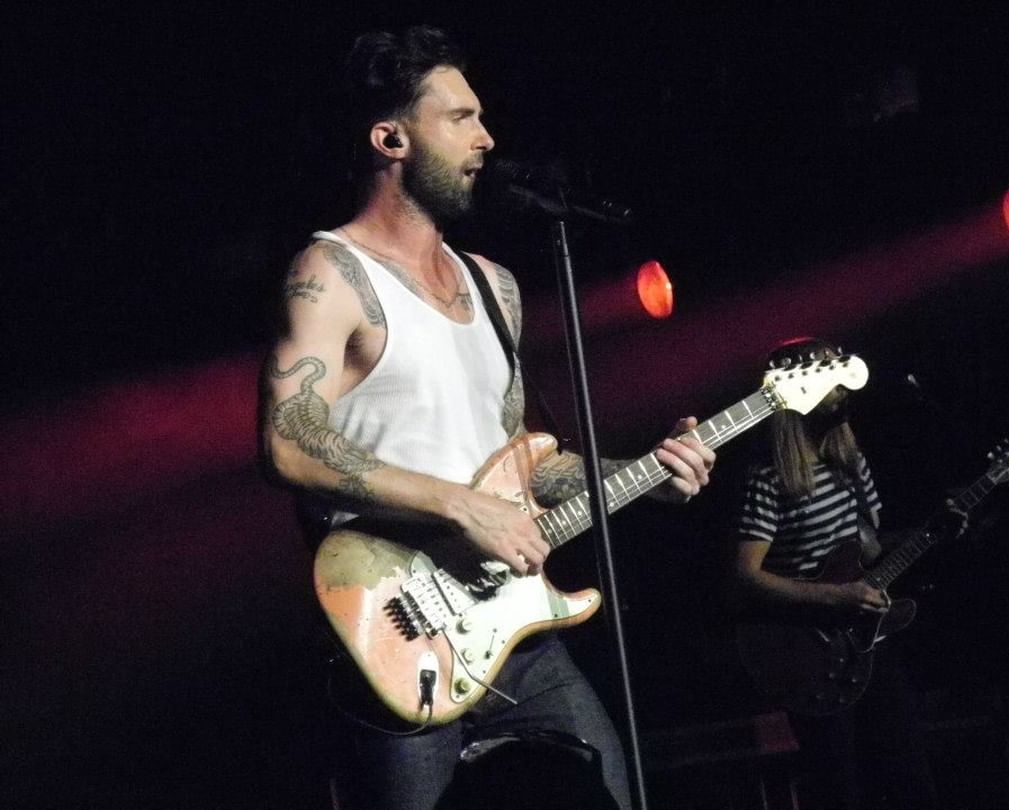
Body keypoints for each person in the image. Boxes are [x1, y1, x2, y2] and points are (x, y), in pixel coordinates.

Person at [258, 25, 715, 810]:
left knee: (610, 793)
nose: (486, 138)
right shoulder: (330, 272)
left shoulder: (494, 287)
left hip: (512, 628)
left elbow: (525, 460)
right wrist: (458, 505)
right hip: (394, 626)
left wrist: (643, 476)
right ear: (391, 138)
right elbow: (287, 443)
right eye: (460, 117)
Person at [728, 336, 940, 810]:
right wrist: (834, 597)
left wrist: (934, 530)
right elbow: (745, 575)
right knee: (840, 788)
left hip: (865, 641)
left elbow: (870, 548)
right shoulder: (770, 477)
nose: (843, 390)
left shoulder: (851, 462)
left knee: (911, 778)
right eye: (830, 380)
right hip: (807, 652)